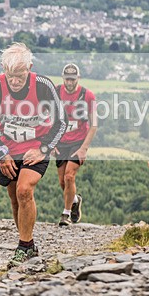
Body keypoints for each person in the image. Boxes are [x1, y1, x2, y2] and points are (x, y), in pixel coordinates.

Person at [0, 43, 66, 268]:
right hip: (8, 149)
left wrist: (44, 148)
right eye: (10, 75)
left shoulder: (43, 86)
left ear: (30, 67)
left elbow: (61, 121)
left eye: (20, 75)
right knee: (14, 197)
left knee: (24, 190)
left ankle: (23, 247)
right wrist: (1, 152)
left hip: (36, 148)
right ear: (3, 69)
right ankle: (29, 245)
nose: (15, 81)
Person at [53, 63, 98, 226]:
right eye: (67, 79)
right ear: (63, 78)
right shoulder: (56, 92)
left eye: (73, 79)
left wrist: (84, 148)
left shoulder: (87, 95)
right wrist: (51, 142)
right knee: (62, 182)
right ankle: (75, 200)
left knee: (69, 176)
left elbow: (94, 125)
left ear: (78, 78)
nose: (70, 82)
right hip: (61, 141)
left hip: (78, 141)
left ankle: (65, 214)